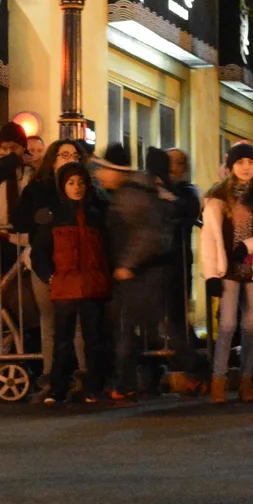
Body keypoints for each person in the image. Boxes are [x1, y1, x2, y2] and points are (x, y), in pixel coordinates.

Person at [200, 143, 253, 400]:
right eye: (240, 162)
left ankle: (247, 380)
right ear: (230, 166)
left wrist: (249, 245)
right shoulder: (217, 197)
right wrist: (210, 275)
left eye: (251, 162)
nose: (246, 167)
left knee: (249, 326)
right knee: (227, 324)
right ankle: (218, 379)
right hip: (227, 269)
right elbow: (208, 239)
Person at [29, 162, 111, 404]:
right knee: (63, 341)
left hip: (92, 285)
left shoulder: (95, 215)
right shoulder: (54, 217)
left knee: (94, 340)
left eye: (81, 183)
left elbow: (107, 250)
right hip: (66, 284)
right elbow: (40, 251)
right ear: (63, 186)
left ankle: (93, 387)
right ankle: (58, 388)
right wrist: (49, 276)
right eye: (71, 183)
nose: (77, 188)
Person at [96, 143, 169, 402]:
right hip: (141, 272)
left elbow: (146, 234)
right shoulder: (130, 192)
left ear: (117, 171)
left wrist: (127, 264)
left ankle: (125, 383)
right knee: (138, 329)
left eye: (104, 169)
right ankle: (139, 381)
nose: (99, 174)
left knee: (127, 329)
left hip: (138, 274)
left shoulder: (129, 196)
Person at [162, 148, 206, 385]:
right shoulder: (156, 189)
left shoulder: (187, 190)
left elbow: (187, 208)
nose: (172, 167)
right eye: (168, 162)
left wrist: (167, 197)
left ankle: (191, 365)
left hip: (178, 259)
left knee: (176, 311)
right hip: (160, 259)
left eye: (178, 162)